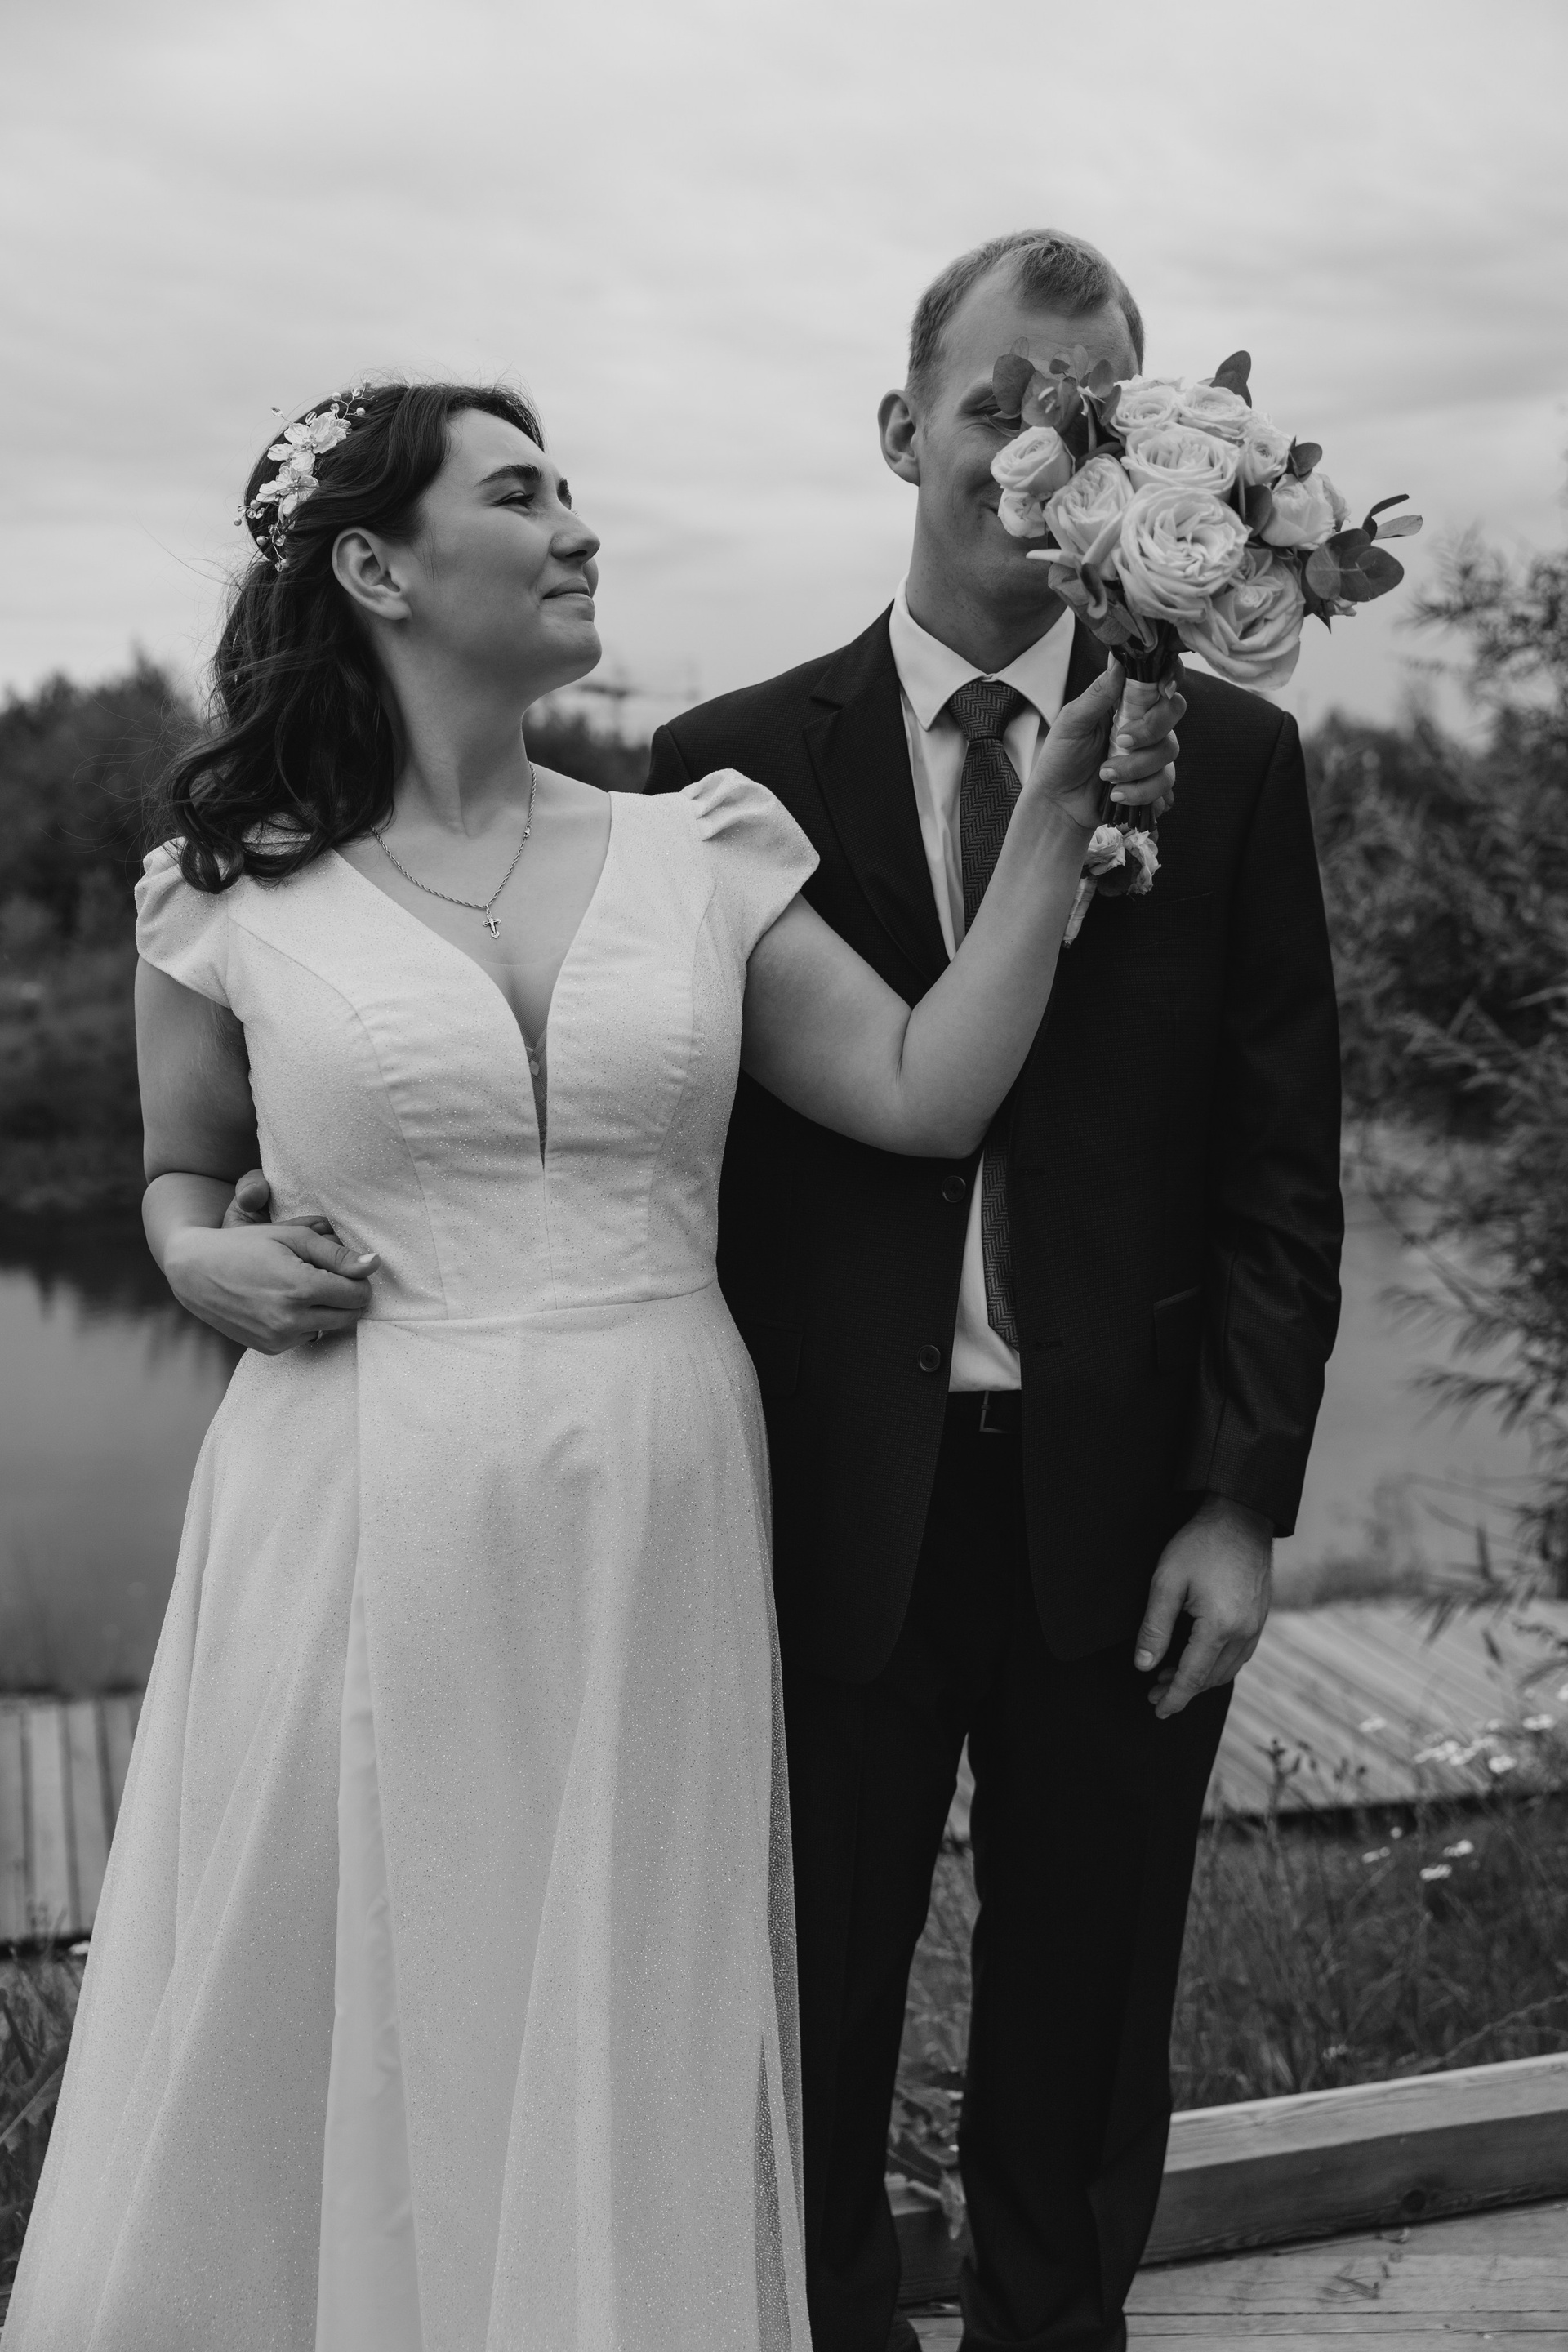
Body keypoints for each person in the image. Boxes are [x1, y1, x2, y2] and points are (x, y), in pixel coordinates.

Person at [4, 378, 1179, 2352]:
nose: (580, 528)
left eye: (573, 490)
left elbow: (925, 1091)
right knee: (369, 1981)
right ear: (377, 566)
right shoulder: (224, 889)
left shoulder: (696, 850)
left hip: (654, 1505)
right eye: (523, 495)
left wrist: (1055, 821)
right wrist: (196, 1260)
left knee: (628, 1989)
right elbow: (179, 1173)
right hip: (357, 1504)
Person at [644, 230, 1343, 2352]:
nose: (1040, 454)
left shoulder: (1233, 765)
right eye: (998, 404)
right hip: (818, 1514)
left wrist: (1240, 1499)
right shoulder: (723, 766)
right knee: (795, 2031)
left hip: (1118, 1510)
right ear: (903, 430)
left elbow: (1277, 1171)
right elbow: (667, 1150)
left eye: (1089, 414)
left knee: (1084, 2036)